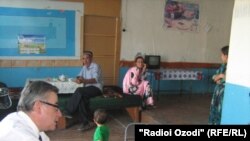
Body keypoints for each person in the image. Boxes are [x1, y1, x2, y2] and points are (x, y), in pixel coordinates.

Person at [64, 51, 103, 131]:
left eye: (87, 58)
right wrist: (78, 79)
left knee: (79, 90)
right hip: (87, 89)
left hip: (96, 88)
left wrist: (83, 81)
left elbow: (95, 80)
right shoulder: (84, 67)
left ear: (91, 58)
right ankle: (86, 122)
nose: (85, 60)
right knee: (81, 99)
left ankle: (68, 111)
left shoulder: (96, 66)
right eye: (83, 58)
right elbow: (79, 76)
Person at [208, 45, 229, 125]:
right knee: (215, 111)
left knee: (221, 112)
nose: (221, 57)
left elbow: (225, 79)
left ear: (226, 56)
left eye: (221, 55)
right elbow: (214, 77)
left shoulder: (232, 67)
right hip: (217, 94)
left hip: (223, 95)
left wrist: (220, 76)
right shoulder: (223, 66)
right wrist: (219, 76)